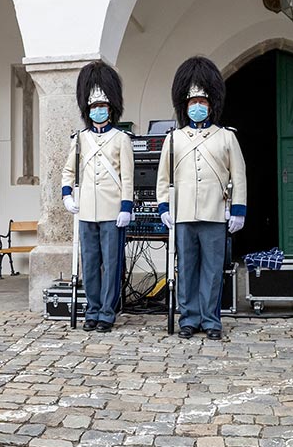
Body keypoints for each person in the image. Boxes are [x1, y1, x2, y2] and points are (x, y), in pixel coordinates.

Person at [156, 56, 247, 341]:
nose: (197, 107)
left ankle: (211, 319)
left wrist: (238, 210)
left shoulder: (225, 137)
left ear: (211, 106)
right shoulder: (174, 138)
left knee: (212, 270)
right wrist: (163, 208)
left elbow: (239, 176)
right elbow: (163, 178)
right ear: (185, 106)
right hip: (183, 213)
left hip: (214, 212)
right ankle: (189, 317)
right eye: (192, 102)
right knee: (186, 268)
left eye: (202, 102)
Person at [61, 61, 134, 333]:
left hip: (112, 211)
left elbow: (127, 176)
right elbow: (69, 170)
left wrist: (126, 206)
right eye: (93, 107)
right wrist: (67, 195)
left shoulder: (121, 139)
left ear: (111, 109)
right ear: (87, 110)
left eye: (102, 107)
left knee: (112, 264)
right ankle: (92, 310)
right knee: (89, 264)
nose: (98, 111)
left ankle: (107, 312)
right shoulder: (80, 139)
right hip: (87, 211)